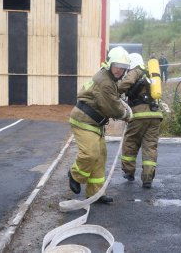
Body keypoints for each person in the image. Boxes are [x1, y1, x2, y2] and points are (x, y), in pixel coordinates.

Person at [68, 46, 132, 203]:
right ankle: (74, 175)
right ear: (110, 64)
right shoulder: (105, 82)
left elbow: (113, 100)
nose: (119, 71)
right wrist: (126, 114)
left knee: (100, 156)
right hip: (83, 120)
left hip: (94, 123)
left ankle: (95, 193)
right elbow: (111, 107)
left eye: (123, 68)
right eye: (117, 66)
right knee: (90, 153)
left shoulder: (109, 78)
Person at [118, 53, 163, 188]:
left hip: (139, 114)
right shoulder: (151, 73)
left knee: (131, 142)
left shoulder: (135, 71)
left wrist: (116, 89)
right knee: (150, 146)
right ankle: (148, 178)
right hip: (155, 114)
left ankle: (129, 172)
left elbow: (126, 83)